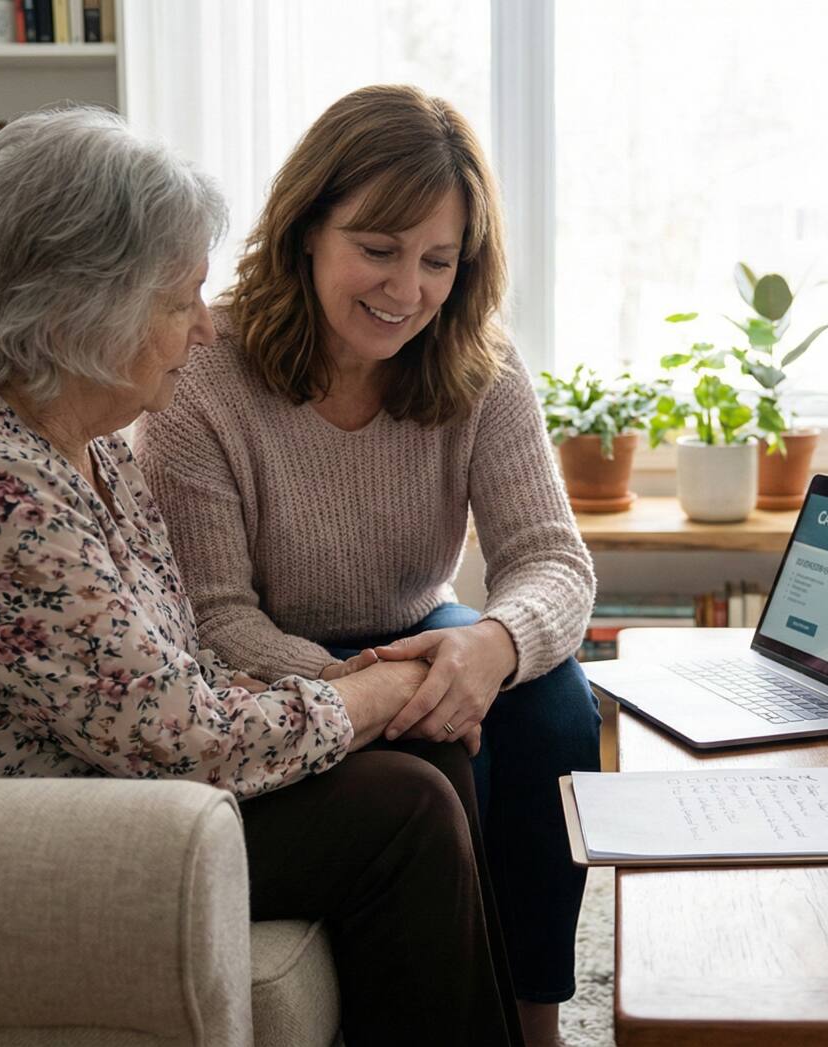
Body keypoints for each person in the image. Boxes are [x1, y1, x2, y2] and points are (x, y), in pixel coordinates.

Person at [0, 105, 520, 1047]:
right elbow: (187, 738)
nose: (206, 331)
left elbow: (169, 666)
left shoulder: (69, 441)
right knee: (407, 812)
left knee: (429, 752)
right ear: (83, 307)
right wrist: (385, 684)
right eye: (180, 301)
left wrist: (367, 688)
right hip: (4, 838)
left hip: (95, 779)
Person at [134, 84, 598, 1045]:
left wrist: (494, 647)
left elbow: (553, 558)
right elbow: (214, 618)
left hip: (419, 624)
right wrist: (372, 689)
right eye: (378, 250)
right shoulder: (205, 374)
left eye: (438, 261)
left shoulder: (481, 362)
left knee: (557, 708)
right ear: (308, 228)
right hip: (269, 659)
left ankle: (536, 1015)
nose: (407, 290)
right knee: (428, 742)